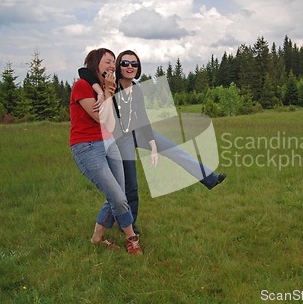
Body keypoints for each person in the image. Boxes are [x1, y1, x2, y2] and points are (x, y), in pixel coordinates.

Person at [79, 49, 226, 234]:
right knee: (130, 186)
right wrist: (100, 90)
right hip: (121, 139)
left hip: (139, 131)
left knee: (175, 150)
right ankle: (129, 225)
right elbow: (83, 72)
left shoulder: (137, 89)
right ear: (118, 67)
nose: (130, 67)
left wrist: (153, 144)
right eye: (124, 63)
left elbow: (142, 118)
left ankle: (209, 178)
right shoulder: (112, 84)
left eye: (134, 63)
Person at [70, 48, 142, 255]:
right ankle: (132, 238)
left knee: (117, 193)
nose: (112, 65)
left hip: (109, 143)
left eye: (113, 62)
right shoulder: (82, 86)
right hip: (86, 146)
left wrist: (106, 91)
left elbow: (110, 121)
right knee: (118, 197)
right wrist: (107, 93)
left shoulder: (102, 85)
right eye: (107, 61)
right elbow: (99, 118)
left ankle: (97, 237)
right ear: (95, 64)